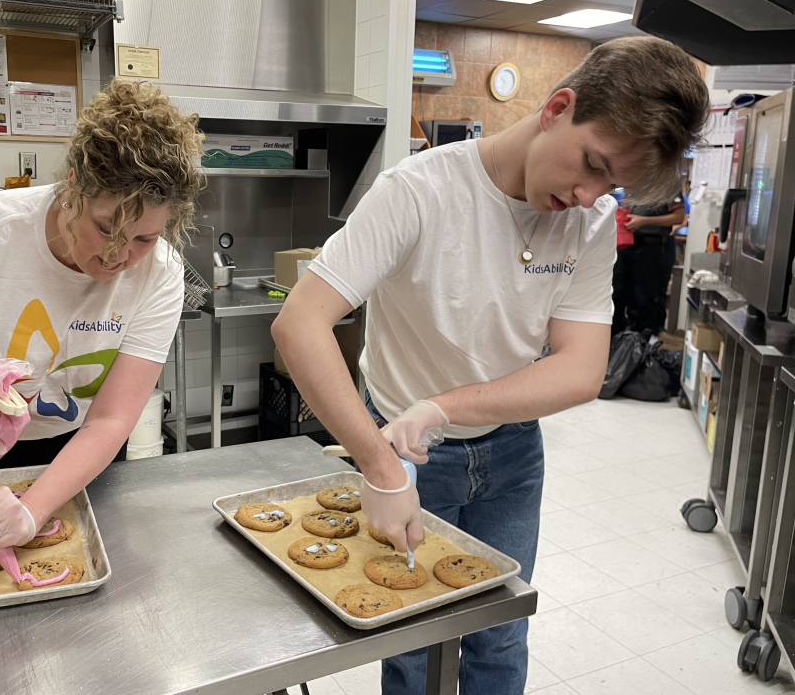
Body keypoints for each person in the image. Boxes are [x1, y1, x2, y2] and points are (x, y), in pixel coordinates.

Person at [272, 37, 708, 695]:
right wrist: (381, 466)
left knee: (499, 635)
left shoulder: (588, 222)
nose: (589, 194)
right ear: (557, 107)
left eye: (610, 184)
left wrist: (447, 407)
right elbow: (299, 324)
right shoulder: (418, 192)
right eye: (590, 164)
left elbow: (580, 370)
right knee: (413, 639)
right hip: (408, 453)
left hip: (512, 455)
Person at [0, 80, 203, 553]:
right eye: (105, 228)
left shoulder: (160, 274)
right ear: (73, 184)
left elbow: (112, 420)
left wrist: (33, 508)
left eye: (143, 238)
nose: (119, 256)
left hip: (75, 456)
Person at [611, 189, 685, 336]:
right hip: (628, 244)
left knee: (645, 298)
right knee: (618, 293)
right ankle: (619, 343)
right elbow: (627, 206)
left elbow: (678, 217)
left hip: (654, 245)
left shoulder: (667, 183)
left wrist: (644, 221)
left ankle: (643, 342)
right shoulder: (633, 181)